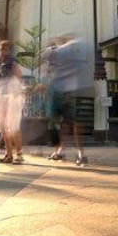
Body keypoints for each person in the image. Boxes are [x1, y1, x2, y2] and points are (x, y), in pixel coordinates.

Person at [39, 34, 92, 166]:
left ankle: (77, 154)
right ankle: (63, 152)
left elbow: (46, 56)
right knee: (67, 124)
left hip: (63, 93)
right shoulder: (69, 55)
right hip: (67, 92)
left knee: (67, 123)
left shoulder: (59, 52)